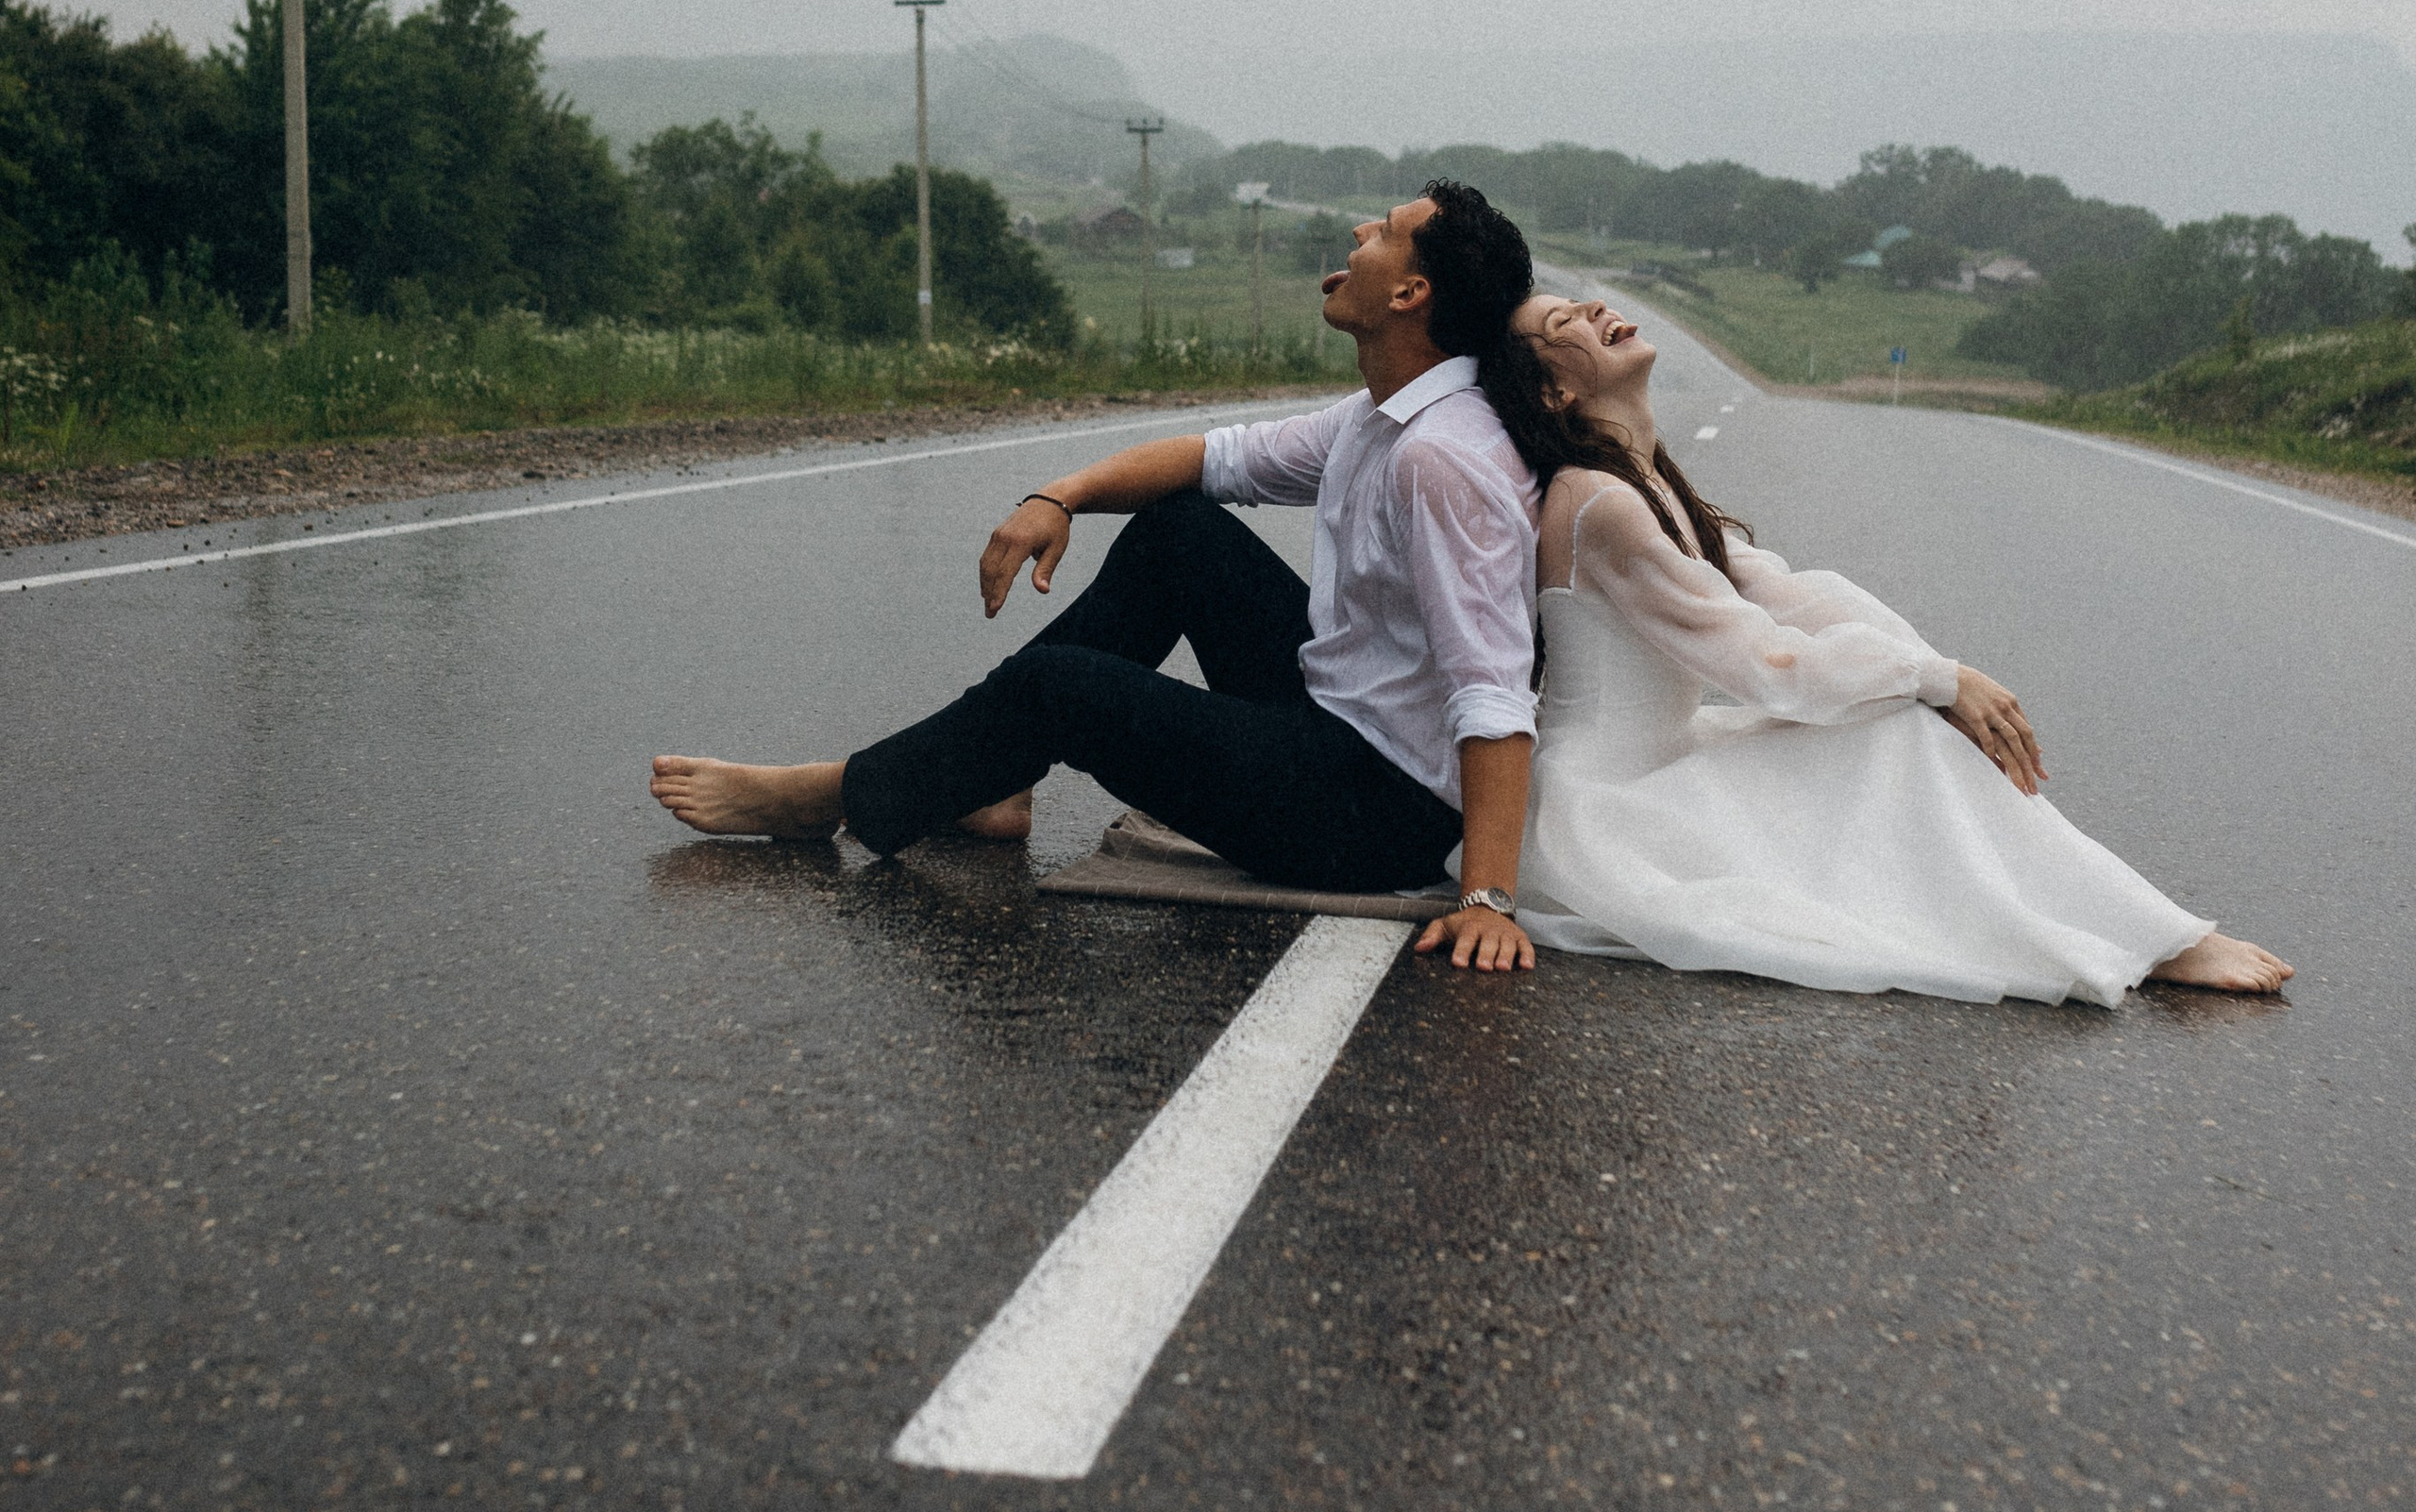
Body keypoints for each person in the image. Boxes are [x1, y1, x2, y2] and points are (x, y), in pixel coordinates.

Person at [651, 182, 1549, 970]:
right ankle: (997, 781)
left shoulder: (1443, 458)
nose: (1358, 231)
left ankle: (830, 799)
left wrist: (1486, 898)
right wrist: (1060, 497)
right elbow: (1210, 459)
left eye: (1383, 230)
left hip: (1370, 813)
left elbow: (1493, 687)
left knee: (1061, 689)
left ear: (1409, 291)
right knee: (1179, 530)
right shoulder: (1379, 416)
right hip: (1330, 718)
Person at [1469, 291, 2291, 1005]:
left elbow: (1792, 595)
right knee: (1897, 730)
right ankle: (2151, 936)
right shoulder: (1594, 501)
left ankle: (2138, 929)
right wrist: (1930, 681)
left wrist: (1936, 678)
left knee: (1903, 718)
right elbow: (1762, 660)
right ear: (1553, 390)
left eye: (1586, 305)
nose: (1597, 313)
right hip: (1610, 810)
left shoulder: (1647, 480)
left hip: (1664, 767)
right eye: (1564, 322)